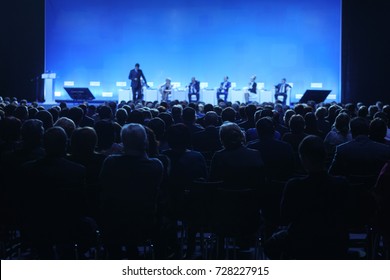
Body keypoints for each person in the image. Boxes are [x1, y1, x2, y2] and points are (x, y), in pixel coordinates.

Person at [264, 135, 349, 259]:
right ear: (325, 156)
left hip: (300, 241)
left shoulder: (294, 186)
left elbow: (285, 217)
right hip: (334, 241)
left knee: (270, 245)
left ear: (302, 158)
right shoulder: (341, 184)